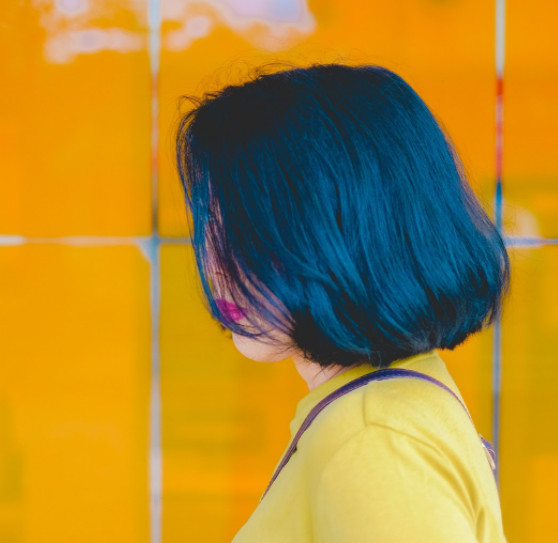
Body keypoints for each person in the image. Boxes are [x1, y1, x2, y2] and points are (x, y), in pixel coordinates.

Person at [174, 62, 510, 542]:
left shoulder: (375, 437)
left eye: (246, 231)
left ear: (348, 231)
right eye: (211, 225)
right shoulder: (389, 408)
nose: (214, 262)